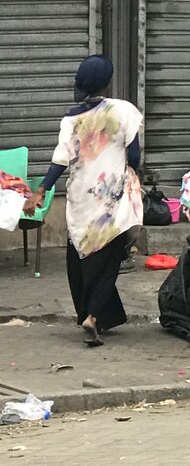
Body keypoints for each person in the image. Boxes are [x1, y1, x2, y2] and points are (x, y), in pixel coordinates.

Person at [24, 55, 143, 346]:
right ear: (107, 82)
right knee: (109, 259)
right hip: (109, 199)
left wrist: (41, 191)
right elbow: (135, 156)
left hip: (80, 198)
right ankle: (92, 316)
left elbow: (59, 162)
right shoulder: (122, 111)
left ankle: (102, 317)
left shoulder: (71, 119)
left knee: (82, 259)